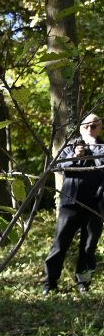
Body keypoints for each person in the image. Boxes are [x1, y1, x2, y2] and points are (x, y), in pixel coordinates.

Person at [43, 113, 104, 294]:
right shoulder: (70, 145)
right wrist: (76, 155)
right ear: (80, 128)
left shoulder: (102, 147)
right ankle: (49, 284)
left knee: (88, 246)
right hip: (71, 202)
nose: (89, 129)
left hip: (96, 204)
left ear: (100, 128)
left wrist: (91, 151)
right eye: (86, 126)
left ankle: (83, 284)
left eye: (94, 126)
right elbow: (59, 166)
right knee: (60, 243)